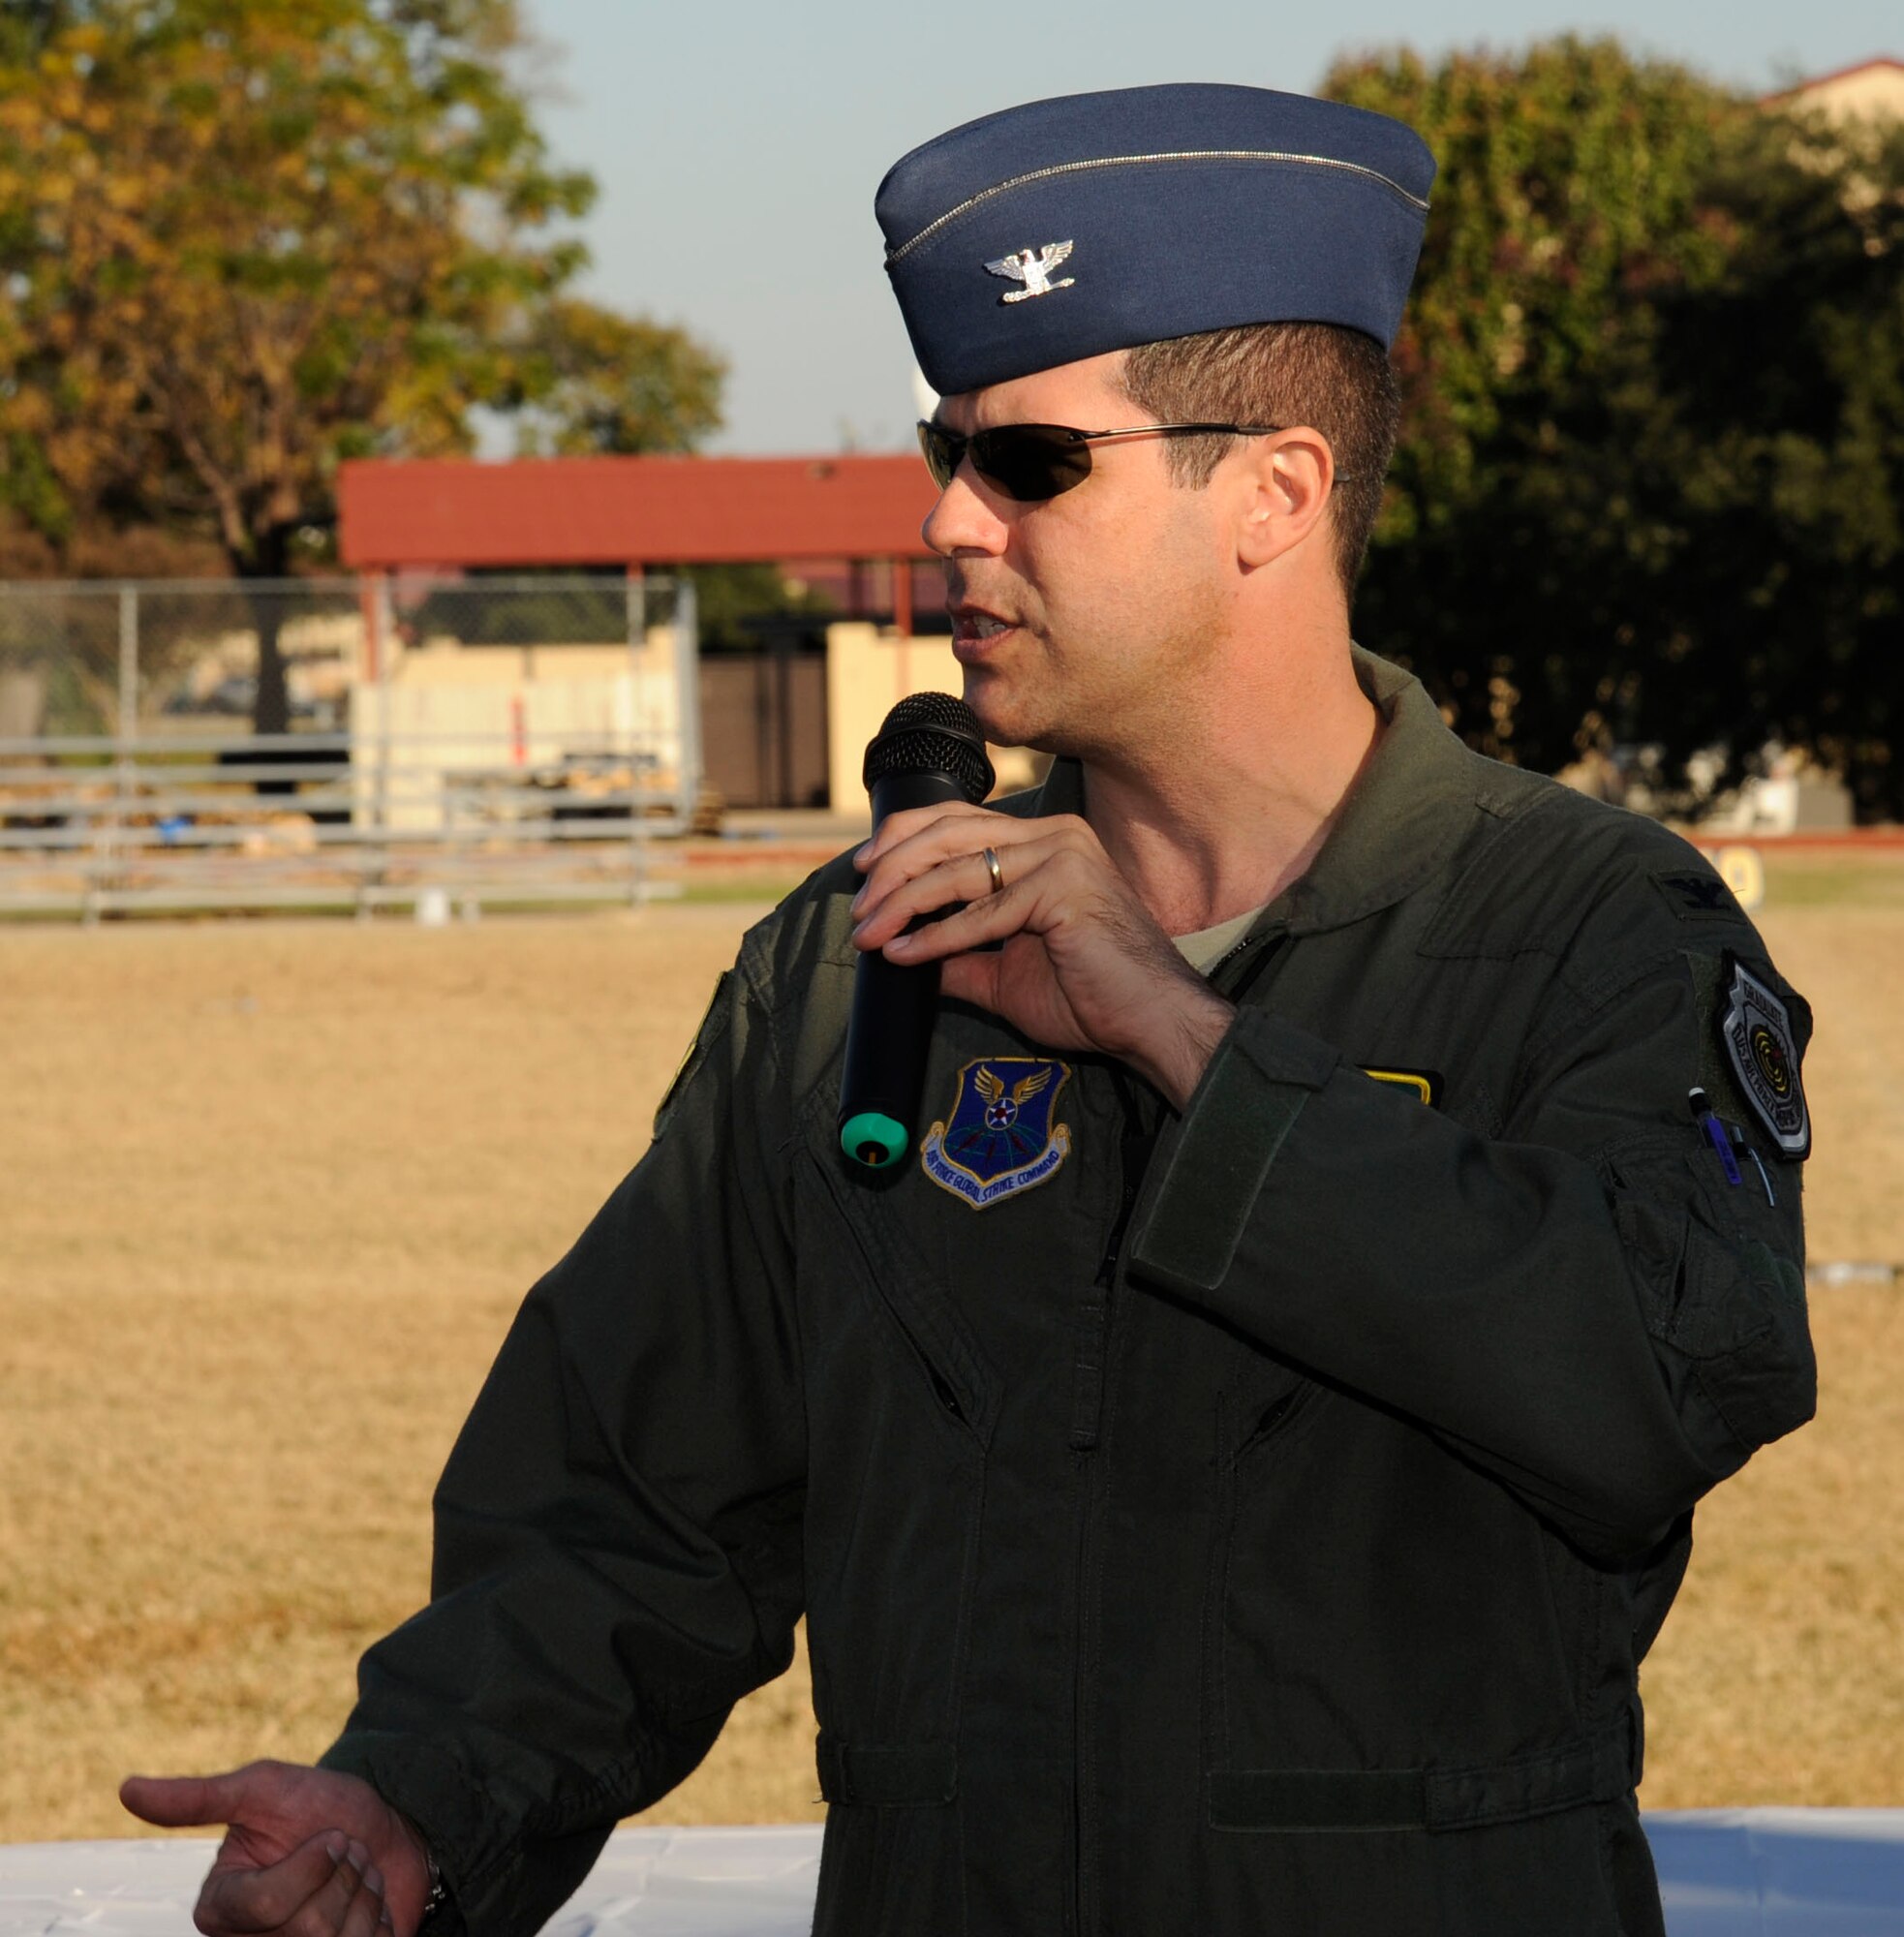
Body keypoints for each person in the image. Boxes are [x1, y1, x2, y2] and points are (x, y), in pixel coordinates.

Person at [122, 82, 1816, 1937]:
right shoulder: (852, 967)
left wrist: (1183, 1039)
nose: (946, 516)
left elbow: (1664, 1376)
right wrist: (419, 1801)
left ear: (1274, 493)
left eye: (1029, 464)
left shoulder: (1584, 931)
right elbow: (638, 1497)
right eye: (947, 451)